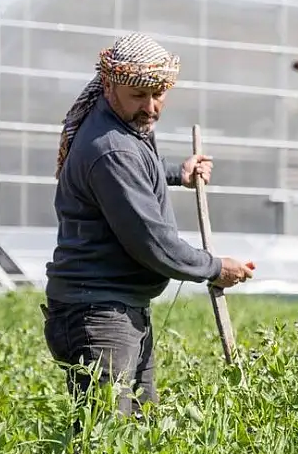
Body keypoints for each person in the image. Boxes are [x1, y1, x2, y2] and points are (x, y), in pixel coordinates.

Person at [41, 31, 255, 420]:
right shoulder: (112, 148)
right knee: (105, 436)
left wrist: (177, 173)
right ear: (109, 85)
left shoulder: (122, 128)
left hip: (118, 307)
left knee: (138, 428)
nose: (151, 107)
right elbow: (152, 242)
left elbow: (135, 175)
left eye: (158, 95)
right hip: (98, 313)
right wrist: (215, 267)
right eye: (139, 95)